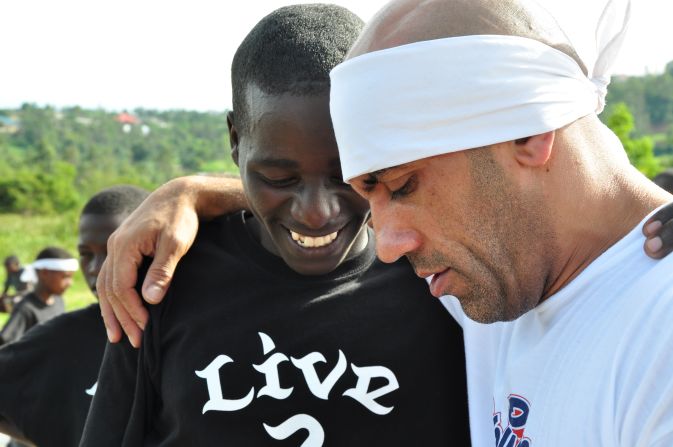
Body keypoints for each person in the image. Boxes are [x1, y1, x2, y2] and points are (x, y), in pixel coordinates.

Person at [81, 5, 468, 446]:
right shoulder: (164, 281)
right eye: (278, 179)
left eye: (347, 176)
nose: (316, 213)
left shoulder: (440, 279)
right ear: (234, 140)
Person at [326, 0, 673, 444]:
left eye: (403, 186)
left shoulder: (658, 337)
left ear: (526, 133)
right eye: (368, 197)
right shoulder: (507, 265)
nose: (387, 247)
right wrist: (207, 193)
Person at [0, 185, 149, 447]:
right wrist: (53, 434)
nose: (96, 268)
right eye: (86, 254)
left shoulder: (196, 324)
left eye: (115, 250)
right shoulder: (64, 336)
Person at [0, 247, 76, 346]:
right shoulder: (26, 309)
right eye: (65, 277)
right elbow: (5, 344)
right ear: (44, 273)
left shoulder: (58, 301)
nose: (70, 283)